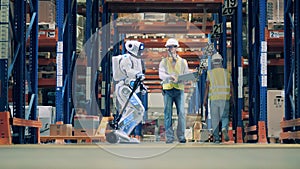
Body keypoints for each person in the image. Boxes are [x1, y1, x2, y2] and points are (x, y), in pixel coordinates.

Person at [110, 40, 146, 143]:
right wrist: (137, 75)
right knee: (139, 110)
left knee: (134, 112)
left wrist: (141, 86)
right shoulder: (126, 58)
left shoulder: (136, 60)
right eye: (139, 50)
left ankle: (124, 134)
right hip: (124, 88)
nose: (140, 53)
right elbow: (128, 71)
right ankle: (120, 129)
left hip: (129, 88)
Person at [159, 38, 190, 144]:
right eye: (168, 47)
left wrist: (182, 79)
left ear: (176, 48)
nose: (170, 49)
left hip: (179, 90)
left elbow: (186, 75)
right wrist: (169, 77)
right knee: (167, 114)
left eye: (172, 47)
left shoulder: (183, 62)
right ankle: (169, 137)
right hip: (167, 90)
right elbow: (161, 75)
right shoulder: (163, 61)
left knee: (181, 113)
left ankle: (181, 136)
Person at [203, 52, 234, 143]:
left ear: (212, 62)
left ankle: (216, 138)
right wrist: (233, 99)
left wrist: (205, 100)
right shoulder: (227, 73)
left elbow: (207, 88)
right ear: (221, 62)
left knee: (215, 119)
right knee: (224, 116)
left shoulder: (210, 73)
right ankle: (224, 128)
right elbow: (231, 87)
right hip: (225, 98)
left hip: (214, 99)